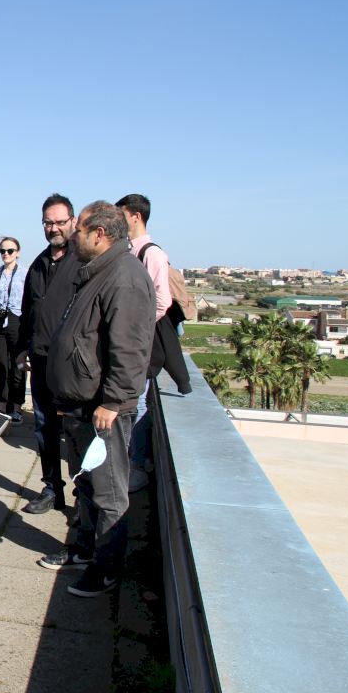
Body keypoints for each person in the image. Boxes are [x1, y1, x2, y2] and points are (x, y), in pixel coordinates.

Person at [39, 201, 154, 597]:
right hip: (80, 405)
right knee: (86, 484)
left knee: (108, 492)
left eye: (80, 228)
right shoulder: (98, 272)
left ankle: (106, 569)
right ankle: (84, 550)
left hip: (102, 410)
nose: (74, 234)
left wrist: (113, 401)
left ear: (99, 234)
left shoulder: (125, 278)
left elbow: (130, 350)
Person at [117, 193, 192, 493]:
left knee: (138, 403)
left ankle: (136, 467)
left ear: (135, 216)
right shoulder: (130, 251)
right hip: (132, 341)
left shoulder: (151, 254)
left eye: (121, 214)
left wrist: (134, 328)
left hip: (142, 343)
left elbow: (161, 301)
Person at [18, 194, 83, 516]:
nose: (54, 228)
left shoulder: (84, 261)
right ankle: (51, 490)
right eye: (48, 223)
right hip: (41, 359)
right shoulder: (39, 263)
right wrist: (23, 348)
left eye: (59, 222)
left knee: (77, 430)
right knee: (44, 427)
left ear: (73, 221)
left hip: (73, 364)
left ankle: (84, 495)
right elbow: (28, 309)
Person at [0, 237, 27, 420]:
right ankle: (1, 406)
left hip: (16, 321)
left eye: (10, 251)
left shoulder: (25, 273)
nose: (6, 254)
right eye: (2, 251)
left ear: (17, 252)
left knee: (17, 366)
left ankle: (16, 407)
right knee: (0, 366)